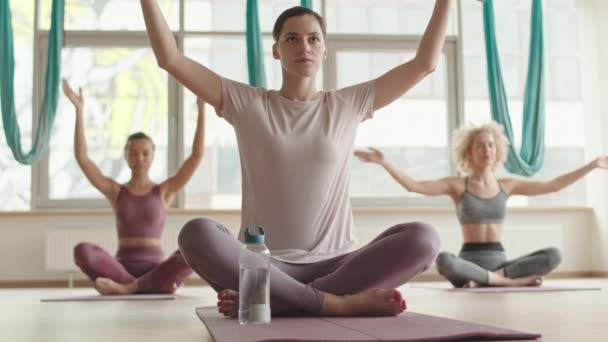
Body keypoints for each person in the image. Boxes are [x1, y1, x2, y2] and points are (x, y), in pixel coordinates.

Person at [139, 0, 452, 316]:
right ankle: (331, 303)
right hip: (264, 264)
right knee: (196, 234)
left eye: (314, 39)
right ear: (276, 51)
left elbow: (424, 63)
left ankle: (277, 301)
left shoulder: (348, 104)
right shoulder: (247, 103)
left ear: (325, 50)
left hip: (339, 265)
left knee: (423, 238)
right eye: (292, 38)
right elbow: (170, 58)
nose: (305, 46)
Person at [355, 121, 608, 288]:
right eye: (480, 145)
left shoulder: (507, 185)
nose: (486, 149)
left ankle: (492, 280)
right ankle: (508, 284)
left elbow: (554, 185)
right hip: (468, 264)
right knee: (444, 260)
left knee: (554, 254)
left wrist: (594, 164)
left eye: (490, 145)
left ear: (496, 150)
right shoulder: (457, 186)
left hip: (501, 263)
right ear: (469, 152)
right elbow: (414, 186)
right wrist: (384, 162)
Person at [62, 79, 205, 294]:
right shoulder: (116, 191)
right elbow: (82, 158)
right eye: (133, 153)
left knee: (194, 251)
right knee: (82, 251)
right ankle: (149, 285)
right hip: (120, 268)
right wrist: (79, 110)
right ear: (126, 157)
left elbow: (196, 156)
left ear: (153, 156)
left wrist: (202, 108)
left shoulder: (164, 191)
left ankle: (127, 288)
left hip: (157, 266)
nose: (139, 158)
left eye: (145, 153)